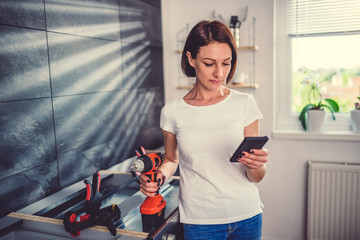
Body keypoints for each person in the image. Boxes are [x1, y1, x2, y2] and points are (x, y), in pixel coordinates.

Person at [139, 20, 268, 240]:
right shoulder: (172, 111)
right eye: (209, 63)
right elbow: (171, 159)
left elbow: (256, 177)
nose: (219, 73)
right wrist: (159, 176)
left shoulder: (245, 103)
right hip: (200, 223)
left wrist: (257, 165)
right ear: (191, 59)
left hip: (247, 215)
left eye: (226, 63)